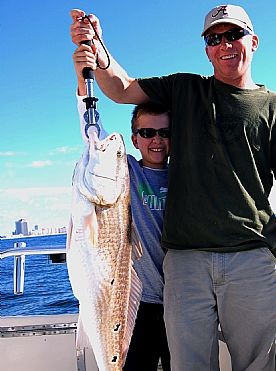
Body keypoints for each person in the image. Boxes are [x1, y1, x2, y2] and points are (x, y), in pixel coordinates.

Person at [70, 5, 276, 371]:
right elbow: (121, 88)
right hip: (185, 261)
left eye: (233, 35)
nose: (224, 44)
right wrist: (97, 46)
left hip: (251, 258)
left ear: (253, 42)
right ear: (207, 50)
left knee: (256, 364)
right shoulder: (184, 88)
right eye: (214, 38)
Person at [73, 52, 171, 371]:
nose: (155, 140)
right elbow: (92, 131)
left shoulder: (186, 176)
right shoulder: (125, 171)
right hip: (135, 303)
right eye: (146, 133)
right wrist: (83, 76)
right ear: (135, 139)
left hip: (180, 303)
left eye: (164, 133)